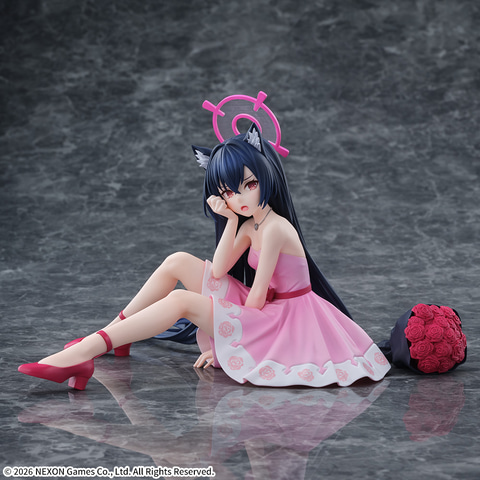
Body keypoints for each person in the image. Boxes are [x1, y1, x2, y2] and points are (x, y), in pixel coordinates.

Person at [18, 123, 390, 389]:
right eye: (228, 192)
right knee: (178, 260)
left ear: (266, 177)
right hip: (265, 305)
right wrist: (230, 220)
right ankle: (117, 333)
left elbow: (256, 302)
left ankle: (85, 352)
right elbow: (222, 268)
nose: (238, 199)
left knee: (181, 301)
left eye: (248, 185)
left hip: (282, 319)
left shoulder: (276, 228)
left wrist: (222, 340)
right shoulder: (251, 221)